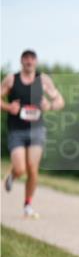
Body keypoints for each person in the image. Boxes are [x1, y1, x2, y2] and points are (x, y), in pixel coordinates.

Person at [2, 50, 65, 218]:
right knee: (21, 168)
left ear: (36, 61)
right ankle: (12, 175)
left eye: (32, 58)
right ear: (21, 61)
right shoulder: (11, 80)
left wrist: (49, 106)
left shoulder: (43, 80)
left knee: (33, 168)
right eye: (26, 58)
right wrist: (8, 107)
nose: (29, 61)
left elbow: (60, 101)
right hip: (17, 131)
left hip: (37, 130)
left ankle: (28, 204)